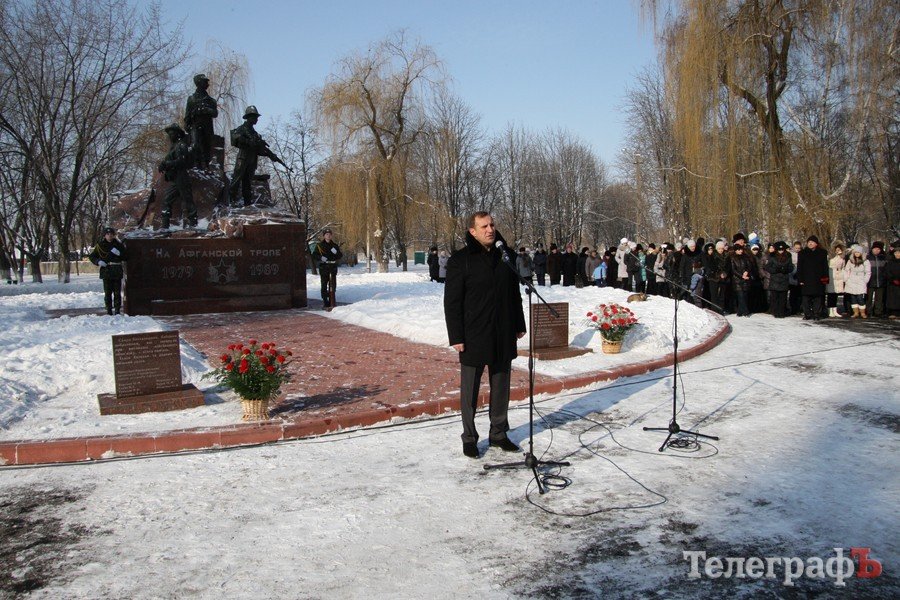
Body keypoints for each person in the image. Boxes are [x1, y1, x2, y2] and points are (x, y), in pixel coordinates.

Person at [444, 211, 526, 458]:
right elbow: (452, 302)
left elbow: (514, 294)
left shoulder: (506, 255)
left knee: (501, 386)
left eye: (492, 224)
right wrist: (456, 336)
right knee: (470, 390)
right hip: (473, 334)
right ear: (473, 231)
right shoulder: (461, 260)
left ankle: (498, 433)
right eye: (484, 226)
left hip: (503, 331)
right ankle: (469, 437)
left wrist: (518, 323)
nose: (490, 229)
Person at [229, 105, 284, 206]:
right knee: (236, 180)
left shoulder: (256, 134)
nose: (257, 119)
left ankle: (247, 203)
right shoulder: (242, 129)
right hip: (243, 158)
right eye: (255, 117)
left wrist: (270, 155)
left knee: (247, 182)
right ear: (249, 117)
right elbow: (235, 138)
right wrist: (249, 142)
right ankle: (231, 201)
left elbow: (259, 150)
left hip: (252, 160)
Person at [158, 123, 197, 229]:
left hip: (181, 177)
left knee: (187, 200)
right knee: (166, 200)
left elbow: (182, 161)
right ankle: (165, 225)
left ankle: (193, 223)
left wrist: (167, 164)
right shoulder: (173, 147)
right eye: (169, 134)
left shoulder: (181, 145)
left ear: (178, 134)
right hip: (175, 178)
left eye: (172, 133)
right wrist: (163, 165)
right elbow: (170, 161)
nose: (170, 136)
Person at [88, 226, 128, 315]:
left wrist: (119, 254)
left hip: (116, 270)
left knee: (117, 292)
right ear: (105, 235)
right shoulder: (100, 245)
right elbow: (92, 256)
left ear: (114, 235)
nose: (109, 236)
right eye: (107, 234)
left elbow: (126, 257)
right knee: (108, 292)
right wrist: (98, 261)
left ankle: (117, 310)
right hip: (106, 270)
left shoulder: (119, 245)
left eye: (111, 234)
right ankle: (109, 310)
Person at [184, 73, 218, 168]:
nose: (207, 84)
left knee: (206, 146)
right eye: (205, 82)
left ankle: (206, 165)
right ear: (198, 83)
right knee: (195, 145)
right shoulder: (191, 99)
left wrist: (206, 110)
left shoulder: (211, 100)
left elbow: (215, 113)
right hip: (195, 125)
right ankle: (196, 165)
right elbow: (187, 114)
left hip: (207, 126)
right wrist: (187, 124)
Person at [796, 235, 829, 320]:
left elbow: (825, 267)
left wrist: (825, 280)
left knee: (818, 298)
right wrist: (800, 279)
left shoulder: (822, 253)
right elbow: (799, 267)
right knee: (806, 298)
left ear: (816, 243)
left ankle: (816, 314)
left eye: (812, 242)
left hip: (818, 279)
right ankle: (807, 314)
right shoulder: (802, 253)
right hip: (806, 279)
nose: (810, 243)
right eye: (809, 242)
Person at [312, 228, 342, 309]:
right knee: (324, 284)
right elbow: (314, 255)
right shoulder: (319, 246)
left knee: (333, 284)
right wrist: (321, 258)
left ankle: (332, 299)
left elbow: (340, 256)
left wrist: (336, 252)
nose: (328, 236)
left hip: (332, 267)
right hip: (324, 267)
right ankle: (325, 301)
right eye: (326, 234)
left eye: (329, 234)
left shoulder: (334, 245)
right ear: (324, 236)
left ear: (331, 236)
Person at [765, 241, 793, 318]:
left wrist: (785, 270)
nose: (781, 251)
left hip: (784, 279)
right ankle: (775, 311)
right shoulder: (772, 256)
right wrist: (775, 270)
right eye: (779, 250)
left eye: (782, 250)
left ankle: (781, 312)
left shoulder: (788, 256)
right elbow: (767, 267)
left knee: (783, 298)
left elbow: (791, 267)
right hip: (775, 279)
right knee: (775, 297)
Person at [843, 245, 871, 318]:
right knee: (853, 298)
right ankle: (856, 312)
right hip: (851, 280)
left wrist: (865, 280)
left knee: (860, 298)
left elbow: (868, 272)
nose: (857, 254)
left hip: (861, 280)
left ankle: (862, 313)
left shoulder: (865, 261)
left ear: (861, 253)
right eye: (855, 252)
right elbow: (846, 270)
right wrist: (846, 279)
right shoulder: (850, 261)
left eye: (858, 252)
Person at [730, 244, 755, 316]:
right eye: (738, 250)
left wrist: (747, 272)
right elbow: (733, 270)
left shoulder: (745, 257)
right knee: (740, 295)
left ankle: (740, 311)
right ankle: (746, 311)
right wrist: (741, 276)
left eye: (741, 249)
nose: (740, 251)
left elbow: (749, 266)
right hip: (737, 280)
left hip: (746, 279)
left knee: (745, 295)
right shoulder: (733, 258)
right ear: (735, 251)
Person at [866, 241, 887, 318]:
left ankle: (878, 312)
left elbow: (886, 269)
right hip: (870, 281)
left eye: (878, 249)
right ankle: (868, 311)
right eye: (875, 249)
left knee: (879, 298)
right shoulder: (867, 258)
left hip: (881, 281)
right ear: (872, 249)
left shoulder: (883, 258)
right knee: (868, 298)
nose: (876, 250)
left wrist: (884, 277)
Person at [826, 244, 847, 317]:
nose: (838, 251)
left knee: (835, 294)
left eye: (839, 250)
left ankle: (835, 310)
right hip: (831, 276)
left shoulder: (842, 258)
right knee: (830, 294)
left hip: (839, 277)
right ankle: (830, 310)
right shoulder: (831, 258)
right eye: (837, 250)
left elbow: (843, 267)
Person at [885, 246, 900, 319]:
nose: (897, 254)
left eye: (899, 253)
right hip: (892, 283)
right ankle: (893, 312)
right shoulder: (890, 262)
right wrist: (893, 279)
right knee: (893, 298)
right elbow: (887, 271)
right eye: (896, 253)